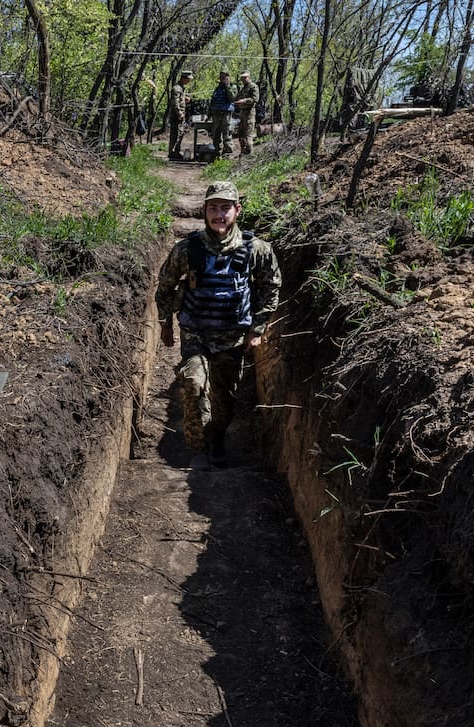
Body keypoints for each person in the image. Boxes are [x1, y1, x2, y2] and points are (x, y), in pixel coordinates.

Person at [155, 181, 281, 469]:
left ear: (237, 211)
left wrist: (257, 329)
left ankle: (217, 438)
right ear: (204, 211)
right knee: (193, 383)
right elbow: (165, 286)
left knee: (224, 398)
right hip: (195, 332)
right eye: (213, 208)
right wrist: (165, 323)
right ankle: (199, 448)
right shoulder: (188, 250)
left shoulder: (257, 251)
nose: (219, 214)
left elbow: (270, 288)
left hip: (233, 337)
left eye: (225, 208)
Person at [208, 71, 235, 157]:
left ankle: (227, 154)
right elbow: (212, 102)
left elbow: (232, 98)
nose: (221, 79)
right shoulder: (217, 88)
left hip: (226, 113)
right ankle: (217, 153)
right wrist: (209, 115)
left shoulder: (232, 87)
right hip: (216, 114)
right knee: (216, 135)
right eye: (220, 77)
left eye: (223, 77)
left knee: (226, 134)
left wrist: (227, 86)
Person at [168, 70, 193, 160]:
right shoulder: (177, 88)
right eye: (188, 79)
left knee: (180, 133)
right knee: (175, 134)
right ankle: (172, 152)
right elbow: (175, 103)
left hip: (180, 115)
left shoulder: (181, 88)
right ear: (184, 78)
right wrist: (180, 113)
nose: (189, 81)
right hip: (176, 116)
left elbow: (179, 100)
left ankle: (176, 152)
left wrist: (185, 99)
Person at [234, 71, 259, 156]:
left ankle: (250, 154)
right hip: (242, 114)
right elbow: (237, 97)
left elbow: (255, 99)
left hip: (249, 114)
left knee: (248, 135)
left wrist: (244, 101)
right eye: (242, 78)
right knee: (241, 134)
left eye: (245, 77)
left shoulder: (253, 87)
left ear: (249, 77)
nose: (243, 79)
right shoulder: (242, 88)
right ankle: (243, 152)